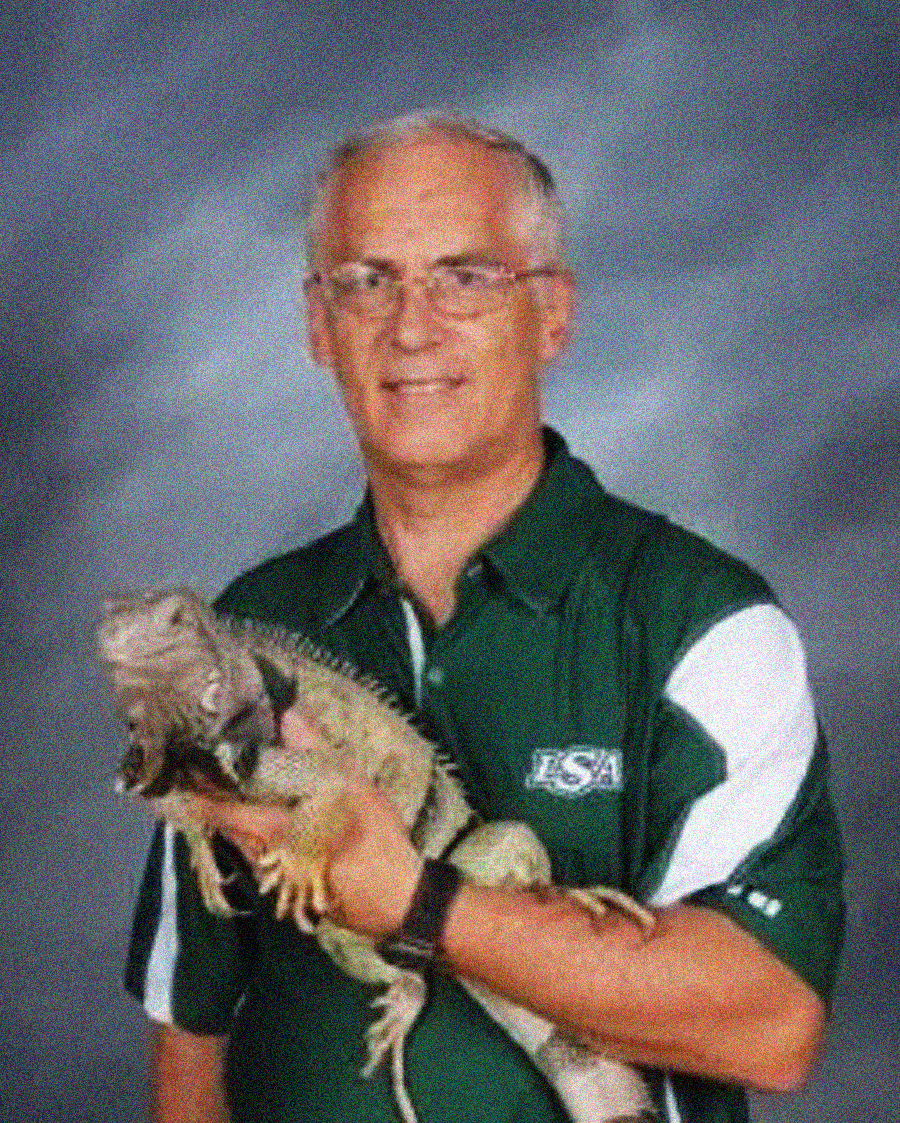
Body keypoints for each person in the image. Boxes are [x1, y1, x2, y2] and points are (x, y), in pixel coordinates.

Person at [124, 114, 845, 1123]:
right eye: (366, 280)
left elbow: (772, 1021)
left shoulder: (701, 621)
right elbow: (191, 1020)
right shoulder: (246, 627)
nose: (410, 326)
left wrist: (421, 904)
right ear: (316, 326)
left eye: (465, 276)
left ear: (551, 313)